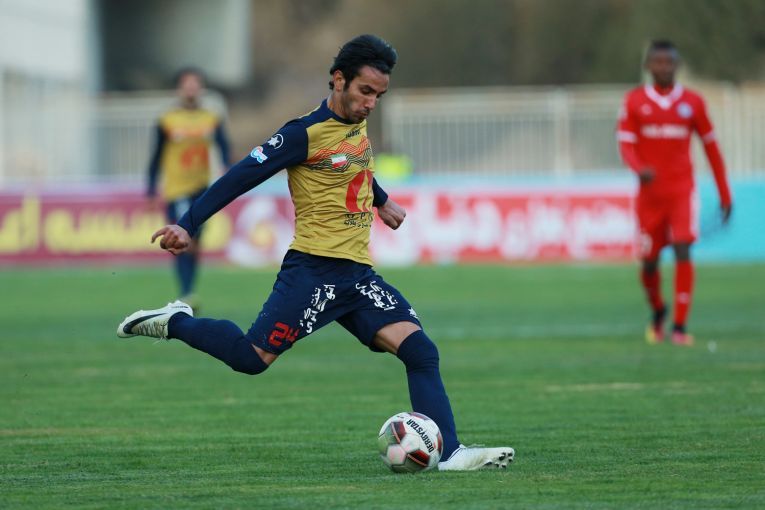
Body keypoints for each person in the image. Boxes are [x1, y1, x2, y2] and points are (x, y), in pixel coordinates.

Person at [118, 35, 513, 471]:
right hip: (313, 272)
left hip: (357, 276)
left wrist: (380, 200)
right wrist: (188, 223)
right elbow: (242, 175)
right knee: (251, 360)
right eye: (365, 92)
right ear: (339, 80)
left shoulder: (355, 122)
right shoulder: (301, 134)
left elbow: (353, 164)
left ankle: (451, 453)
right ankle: (175, 321)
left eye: (379, 96)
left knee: (420, 351)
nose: (371, 104)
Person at [617, 40, 732, 346]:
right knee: (649, 263)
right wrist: (638, 168)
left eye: (669, 62)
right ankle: (658, 310)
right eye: (658, 62)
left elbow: (712, 149)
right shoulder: (634, 101)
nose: (664, 67)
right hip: (649, 196)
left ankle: (680, 326)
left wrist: (725, 194)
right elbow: (625, 144)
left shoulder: (692, 103)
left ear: (677, 65)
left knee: (683, 248)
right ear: (648, 66)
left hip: (682, 191)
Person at [147, 67, 231, 306]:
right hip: (177, 190)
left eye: (195, 84)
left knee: (195, 243)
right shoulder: (167, 120)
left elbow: (224, 145)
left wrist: (226, 167)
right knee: (181, 238)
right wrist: (151, 188)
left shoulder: (211, 118)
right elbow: (156, 155)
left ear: (201, 88)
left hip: (202, 189)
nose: (191, 89)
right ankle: (186, 293)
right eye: (187, 84)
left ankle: (189, 291)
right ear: (179, 89)